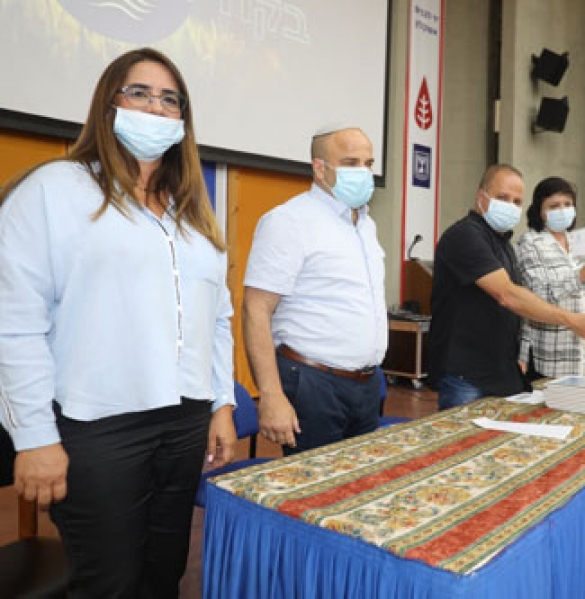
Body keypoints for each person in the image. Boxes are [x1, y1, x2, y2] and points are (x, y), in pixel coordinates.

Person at [0, 48, 237, 597]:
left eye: (170, 100)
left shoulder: (192, 215)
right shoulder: (53, 190)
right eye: (140, 93)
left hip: (184, 423)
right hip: (99, 429)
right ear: (108, 104)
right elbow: (13, 322)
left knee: (164, 573)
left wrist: (222, 405)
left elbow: (218, 320)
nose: (156, 108)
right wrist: (33, 437)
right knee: (109, 583)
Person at [243, 124, 387, 454]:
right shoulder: (288, 221)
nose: (363, 172)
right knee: (314, 483)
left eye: (368, 163)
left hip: (365, 385)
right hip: (313, 383)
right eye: (351, 163)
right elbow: (256, 309)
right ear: (320, 168)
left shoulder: (366, 225)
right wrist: (271, 395)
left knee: (360, 480)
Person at [429, 164, 585, 410]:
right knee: (462, 434)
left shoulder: (503, 243)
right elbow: (508, 295)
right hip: (466, 374)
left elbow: (518, 304)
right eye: (502, 198)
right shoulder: (466, 236)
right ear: (481, 197)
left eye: (516, 201)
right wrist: (571, 319)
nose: (510, 206)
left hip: (498, 369)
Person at [516, 176, 585, 380]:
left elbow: (584, 288)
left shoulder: (575, 241)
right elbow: (539, 296)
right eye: (554, 206)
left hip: (577, 349)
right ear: (540, 210)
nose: (562, 210)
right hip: (546, 352)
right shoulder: (530, 243)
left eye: (567, 204)